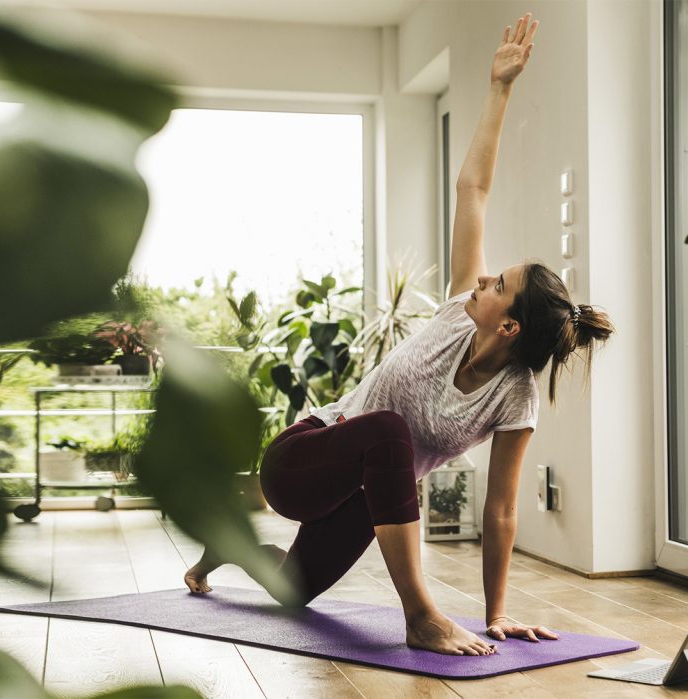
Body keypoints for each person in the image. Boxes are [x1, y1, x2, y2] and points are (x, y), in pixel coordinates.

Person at [185, 12, 614, 657]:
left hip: (364, 495)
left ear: (511, 325)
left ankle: (225, 546)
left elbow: (500, 509)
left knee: (292, 590)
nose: (481, 281)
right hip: (305, 458)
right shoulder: (454, 315)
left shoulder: (514, 399)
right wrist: (499, 88)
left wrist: (498, 614)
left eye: (496, 284)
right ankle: (422, 615)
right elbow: (472, 188)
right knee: (389, 430)